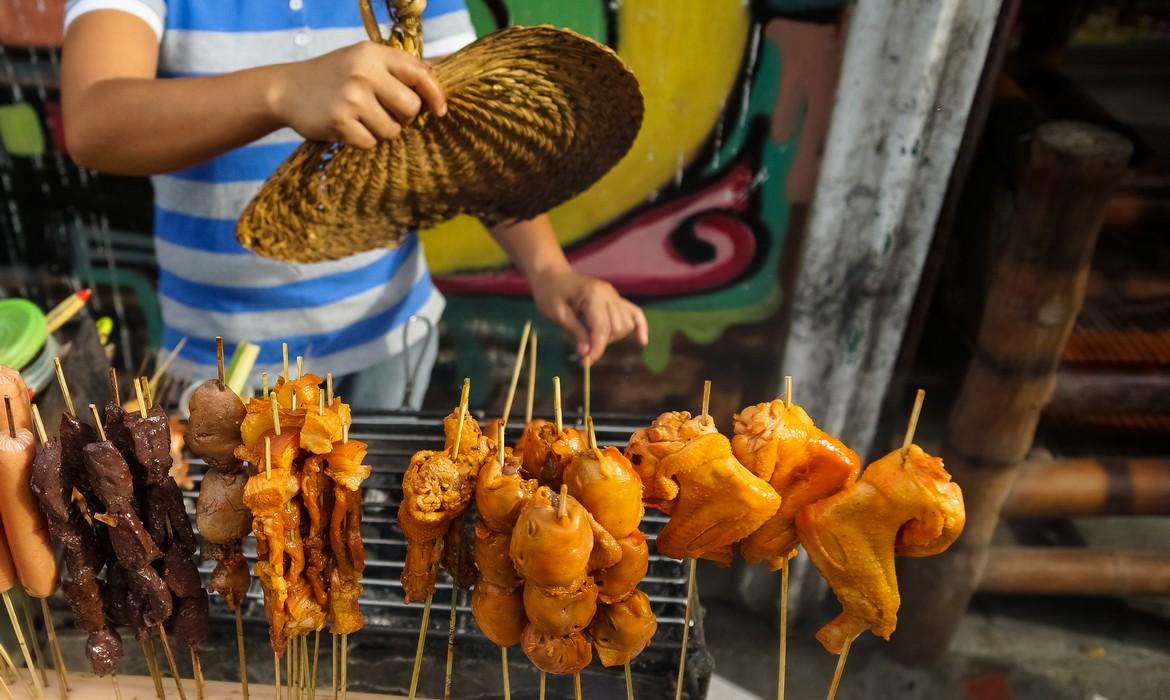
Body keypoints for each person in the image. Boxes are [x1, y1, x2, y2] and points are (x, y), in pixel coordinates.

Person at [61, 0, 648, 409]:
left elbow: (474, 136)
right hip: (222, 367)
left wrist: (550, 270)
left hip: (390, 343)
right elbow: (93, 120)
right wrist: (282, 91)